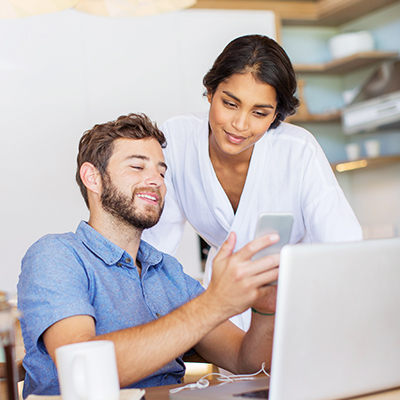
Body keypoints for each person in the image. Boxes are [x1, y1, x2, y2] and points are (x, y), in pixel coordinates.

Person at [17, 113, 281, 398]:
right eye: (137, 166)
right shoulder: (57, 255)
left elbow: (248, 363)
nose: (156, 180)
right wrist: (215, 303)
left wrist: (266, 307)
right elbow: (82, 372)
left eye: (161, 172)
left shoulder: (167, 271)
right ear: (92, 177)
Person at [142, 34, 363, 331]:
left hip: (301, 299)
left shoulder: (298, 151)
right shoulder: (178, 140)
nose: (240, 124)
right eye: (230, 104)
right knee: (238, 376)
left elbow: (343, 248)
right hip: (224, 300)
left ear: (276, 116)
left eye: (260, 113)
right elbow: (155, 247)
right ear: (210, 91)